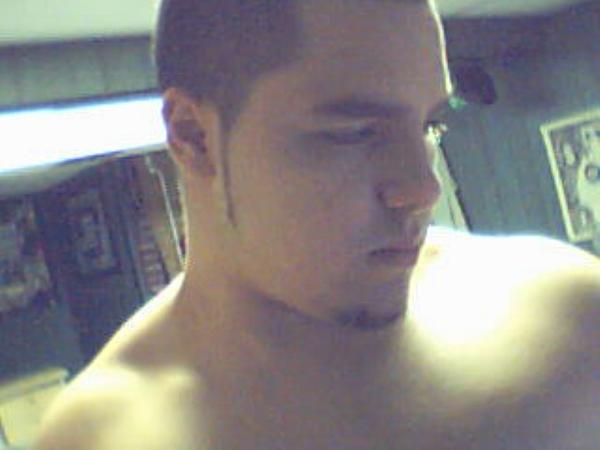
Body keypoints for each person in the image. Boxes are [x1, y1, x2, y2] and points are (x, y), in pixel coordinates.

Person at [34, 0, 600, 449]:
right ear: (194, 136)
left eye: (430, 126)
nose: (422, 190)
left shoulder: (566, 314)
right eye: (354, 133)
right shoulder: (108, 437)